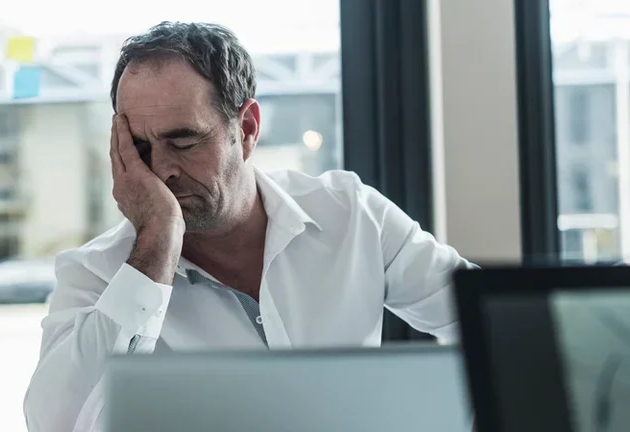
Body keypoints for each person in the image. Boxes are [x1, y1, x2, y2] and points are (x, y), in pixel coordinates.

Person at [24, 21, 474, 432]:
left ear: (247, 128)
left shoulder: (351, 215)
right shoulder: (96, 273)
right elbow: (52, 424)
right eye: (140, 148)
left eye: (183, 141)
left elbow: (492, 326)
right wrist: (157, 243)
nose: (162, 170)